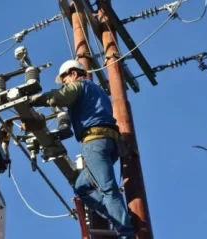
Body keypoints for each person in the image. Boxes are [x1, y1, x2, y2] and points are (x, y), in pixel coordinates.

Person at [29, 60, 134, 236]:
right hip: (111, 143)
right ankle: (119, 216)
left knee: (108, 189)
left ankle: (126, 231)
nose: (64, 83)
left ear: (74, 74)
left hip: (94, 143)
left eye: (65, 80)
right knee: (81, 186)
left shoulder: (79, 86)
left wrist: (33, 99)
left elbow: (59, 97)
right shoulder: (97, 90)